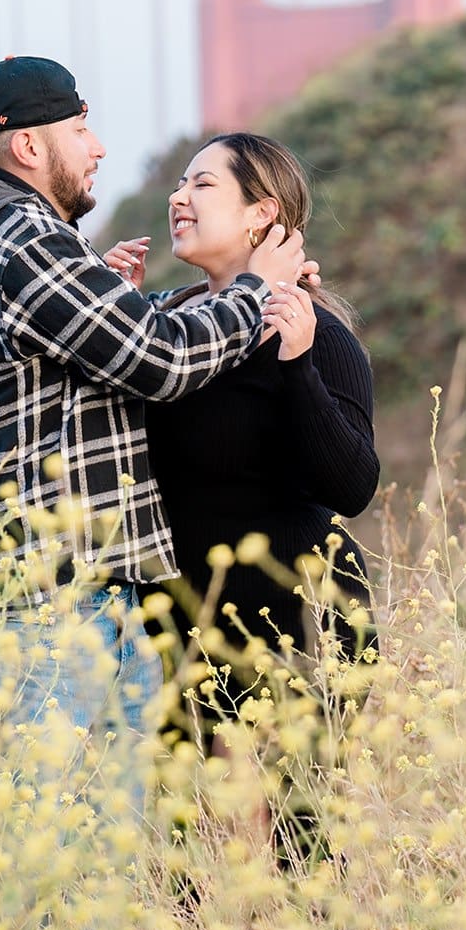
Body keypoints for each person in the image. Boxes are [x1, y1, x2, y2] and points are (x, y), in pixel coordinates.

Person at [0, 60, 316, 812]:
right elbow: (158, 360)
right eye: (80, 130)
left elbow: (94, 368)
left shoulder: (4, 234)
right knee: (33, 861)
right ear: (27, 148)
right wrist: (255, 292)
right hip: (49, 607)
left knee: (77, 867)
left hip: (61, 599)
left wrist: (111, 295)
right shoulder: (20, 235)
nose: (98, 148)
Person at [108, 132, 379, 747]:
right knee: (187, 832)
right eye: (179, 183)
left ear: (262, 214)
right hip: (180, 619)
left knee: (300, 835)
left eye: (203, 184)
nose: (180, 197)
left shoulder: (316, 330)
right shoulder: (170, 334)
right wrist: (117, 310)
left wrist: (297, 365)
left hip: (298, 613)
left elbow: (353, 485)